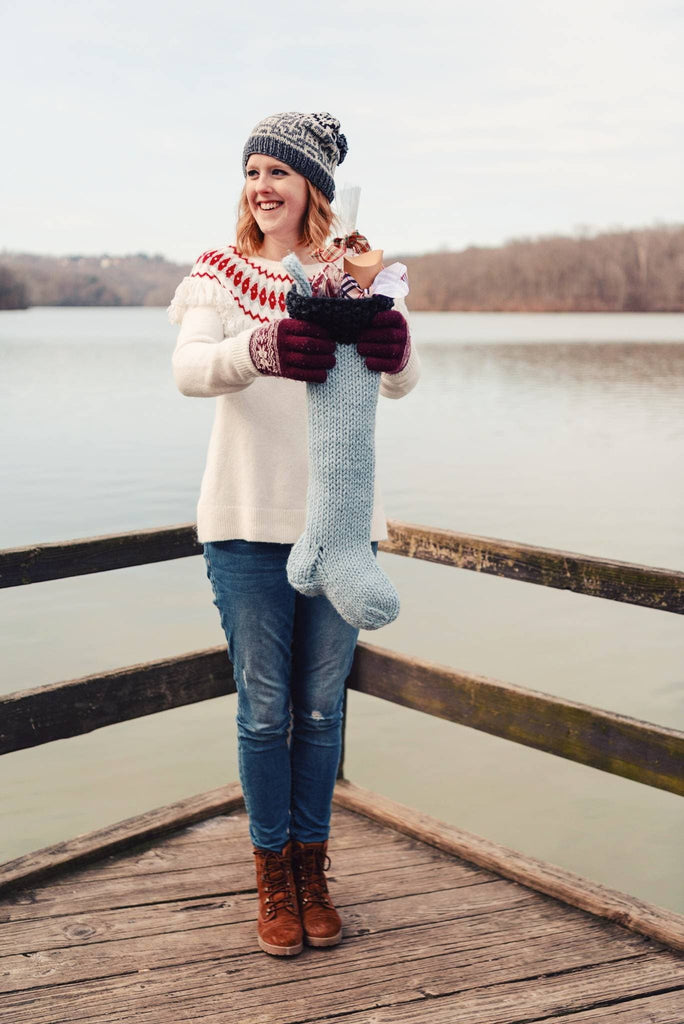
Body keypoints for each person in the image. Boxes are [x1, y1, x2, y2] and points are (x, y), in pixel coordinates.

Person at [168, 111, 421, 957]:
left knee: (320, 714)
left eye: (280, 172)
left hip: (341, 530)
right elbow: (190, 370)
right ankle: (272, 876)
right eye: (252, 173)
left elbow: (403, 382)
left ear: (314, 185)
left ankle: (314, 872)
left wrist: (391, 336)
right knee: (264, 711)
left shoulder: (355, 269)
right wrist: (261, 347)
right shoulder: (221, 271)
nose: (262, 188)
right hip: (244, 526)